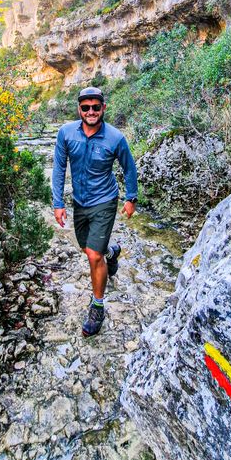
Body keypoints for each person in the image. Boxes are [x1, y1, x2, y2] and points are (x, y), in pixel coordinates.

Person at [52, 86, 138, 337]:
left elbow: (129, 168)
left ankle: (97, 306)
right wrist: (58, 203)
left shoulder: (115, 138)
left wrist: (131, 198)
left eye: (95, 107)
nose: (91, 111)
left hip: (105, 200)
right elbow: (58, 169)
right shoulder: (66, 133)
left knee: (92, 255)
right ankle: (111, 253)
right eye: (86, 107)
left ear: (103, 108)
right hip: (80, 201)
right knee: (87, 248)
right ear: (79, 109)